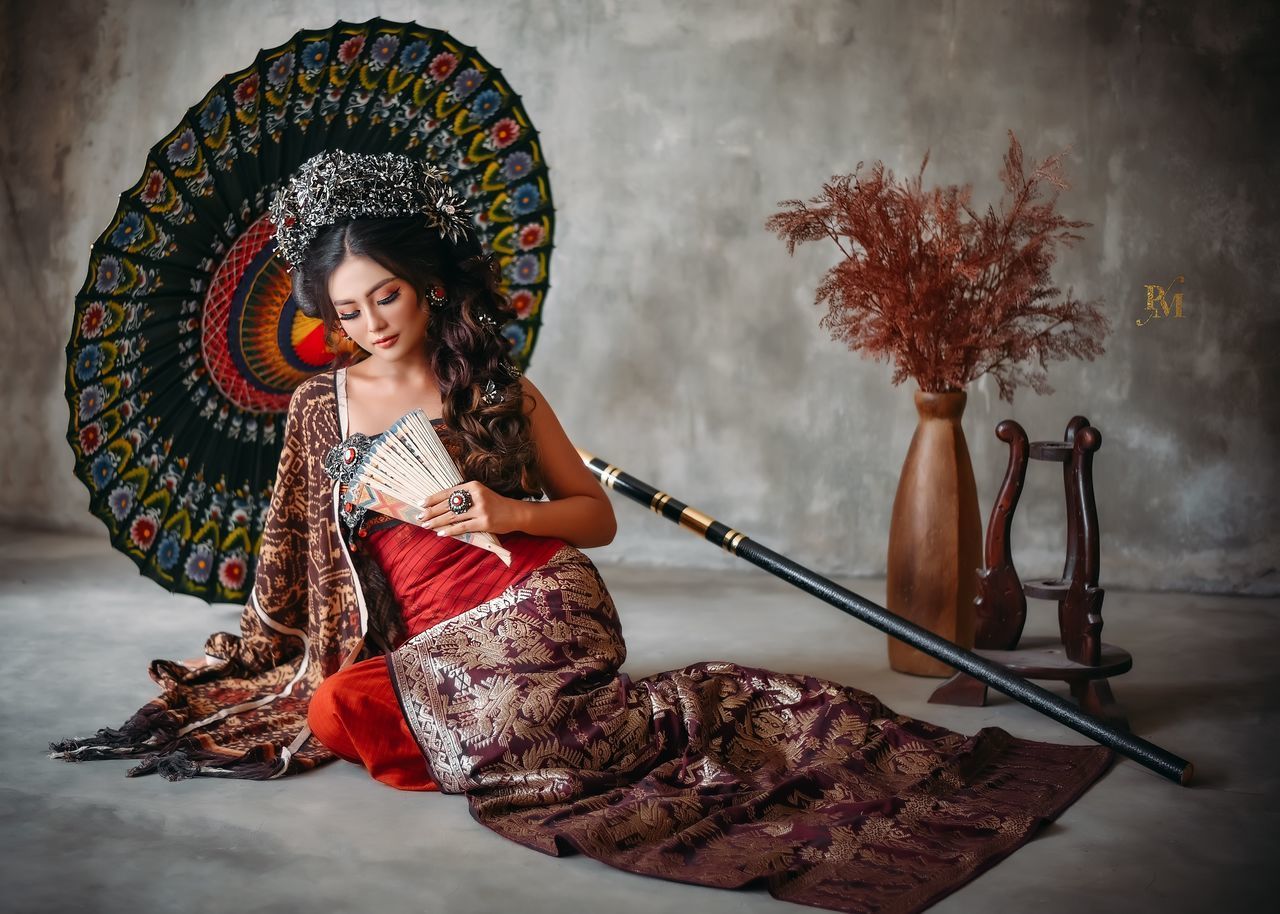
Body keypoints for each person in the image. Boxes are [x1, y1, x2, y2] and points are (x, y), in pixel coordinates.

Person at [52, 151, 1113, 914]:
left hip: (536, 600)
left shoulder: (494, 385)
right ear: (325, 317)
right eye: (351, 311)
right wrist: (271, 653)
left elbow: (594, 519)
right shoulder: (316, 413)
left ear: (424, 283)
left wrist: (503, 510)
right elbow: (291, 565)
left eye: (389, 297)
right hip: (423, 643)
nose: (376, 324)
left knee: (467, 722)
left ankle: (500, 728)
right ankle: (486, 730)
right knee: (334, 706)